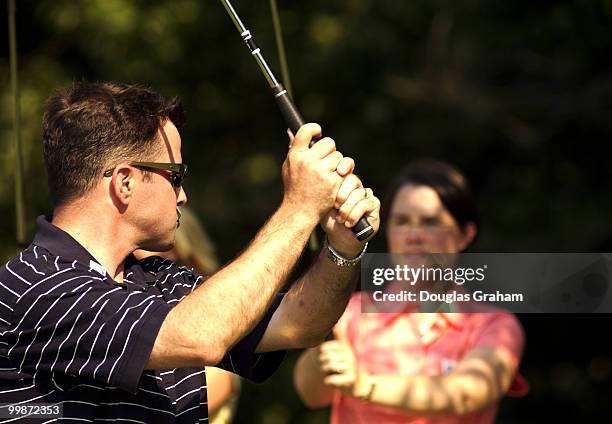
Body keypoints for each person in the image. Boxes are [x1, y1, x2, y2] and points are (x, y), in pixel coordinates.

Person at [0, 82, 381, 422]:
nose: (183, 195)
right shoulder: (37, 285)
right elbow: (201, 336)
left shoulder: (159, 279)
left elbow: (300, 322)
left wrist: (343, 247)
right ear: (126, 183)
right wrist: (299, 209)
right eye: (176, 176)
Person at [294, 160, 526, 423]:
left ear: (465, 234)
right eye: (402, 221)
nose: (413, 235)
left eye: (430, 222)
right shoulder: (349, 312)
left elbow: (468, 392)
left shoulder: (497, 326)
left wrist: (364, 385)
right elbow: (311, 394)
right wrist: (320, 355)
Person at [134, 206, 241, 423]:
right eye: (133, 269)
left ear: (195, 265)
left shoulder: (215, 358)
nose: (147, 283)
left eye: (167, 267)